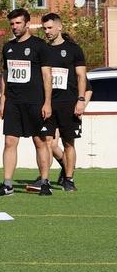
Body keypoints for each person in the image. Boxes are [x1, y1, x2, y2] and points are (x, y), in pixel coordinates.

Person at [0, 8, 54, 196]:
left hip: (35, 102)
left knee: (40, 141)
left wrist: (47, 102)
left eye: (18, 23)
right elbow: (5, 75)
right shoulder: (8, 47)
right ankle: (7, 184)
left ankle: (44, 182)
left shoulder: (39, 46)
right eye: (12, 24)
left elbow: (47, 75)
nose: (14, 27)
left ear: (27, 24)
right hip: (13, 103)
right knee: (9, 141)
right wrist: (3, 100)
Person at [40, 13, 87, 192]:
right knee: (47, 142)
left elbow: (81, 76)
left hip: (68, 102)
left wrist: (81, 100)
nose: (47, 31)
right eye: (44, 28)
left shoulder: (73, 49)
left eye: (50, 28)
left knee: (69, 142)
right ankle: (47, 178)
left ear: (59, 27)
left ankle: (69, 179)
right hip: (48, 103)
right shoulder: (42, 49)